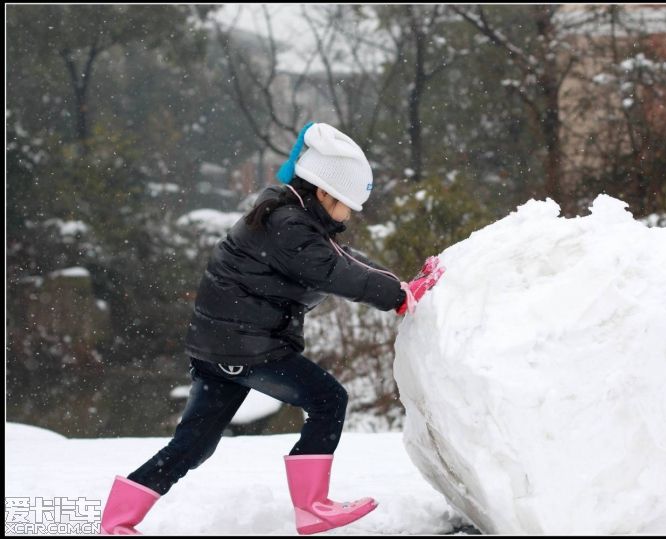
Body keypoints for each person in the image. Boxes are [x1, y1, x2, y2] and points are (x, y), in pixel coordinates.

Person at [98, 122, 446, 535]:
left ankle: (117, 522)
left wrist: (399, 284)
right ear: (324, 192)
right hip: (245, 348)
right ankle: (312, 506)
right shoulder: (290, 226)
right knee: (328, 399)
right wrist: (398, 297)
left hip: (224, 345)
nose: (350, 215)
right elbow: (334, 271)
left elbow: (343, 257)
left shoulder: (289, 211)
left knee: (194, 444)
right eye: (347, 205)